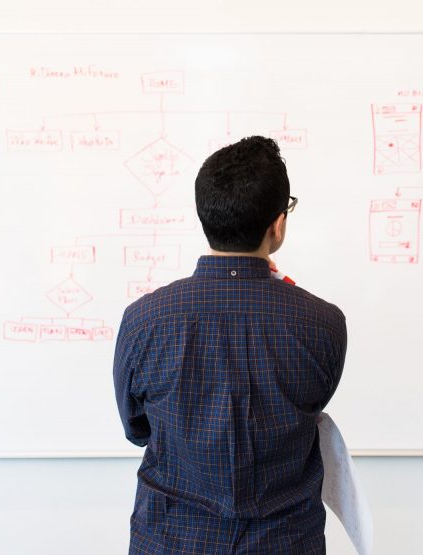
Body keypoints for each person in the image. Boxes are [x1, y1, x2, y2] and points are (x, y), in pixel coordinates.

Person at [113, 136, 347, 554]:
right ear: (277, 224)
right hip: (285, 542)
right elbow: (311, 408)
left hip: (171, 540)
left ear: (206, 217)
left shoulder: (143, 320)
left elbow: (137, 429)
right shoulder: (323, 324)